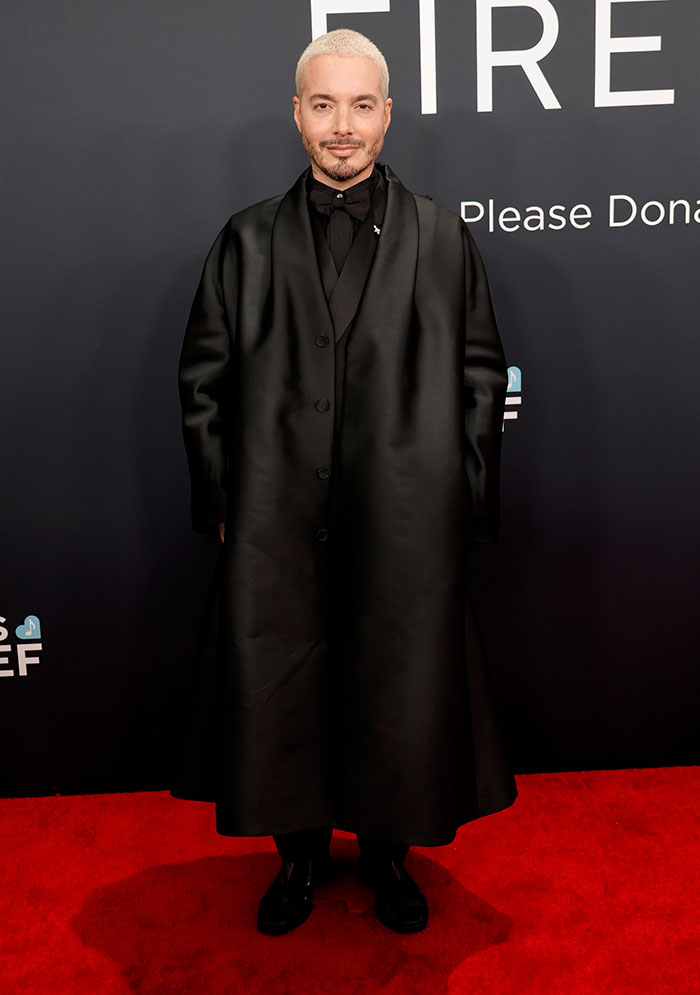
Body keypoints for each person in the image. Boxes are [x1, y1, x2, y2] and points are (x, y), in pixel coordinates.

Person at [172, 28, 517, 936]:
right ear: (296, 113)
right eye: (323, 104)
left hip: (405, 521)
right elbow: (201, 383)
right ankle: (296, 856)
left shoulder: (442, 238)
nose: (342, 126)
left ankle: (393, 855)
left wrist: (462, 508)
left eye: (361, 105)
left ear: (388, 114)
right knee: (282, 690)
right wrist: (222, 505)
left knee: (396, 690)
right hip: (272, 521)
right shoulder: (244, 243)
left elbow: (483, 376)